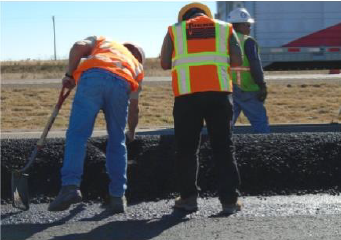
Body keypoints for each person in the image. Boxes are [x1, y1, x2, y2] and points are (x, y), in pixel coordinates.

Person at [160, 2, 243, 214]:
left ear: (184, 17)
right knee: (224, 147)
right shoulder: (225, 28)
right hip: (219, 95)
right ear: (205, 14)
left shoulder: (175, 31)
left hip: (187, 97)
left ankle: (188, 199)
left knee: (187, 149)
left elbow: (164, 63)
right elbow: (237, 60)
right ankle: (230, 201)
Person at [48, 36, 145, 213]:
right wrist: (131, 132)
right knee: (117, 140)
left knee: (77, 135)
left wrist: (70, 75)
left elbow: (78, 46)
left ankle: (70, 186)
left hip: (93, 78)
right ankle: (117, 197)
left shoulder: (103, 42)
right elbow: (134, 110)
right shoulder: (136, 68)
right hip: (121, 84)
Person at [227, 8, 270, 133]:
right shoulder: (247, 41)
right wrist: (262, 85)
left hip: (228, 89)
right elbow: (255, 65)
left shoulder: (223, 41)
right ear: (240, 25)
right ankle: (265, 148)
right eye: (248, 25)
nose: (250, 28)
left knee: (225, 124)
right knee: (259, 121)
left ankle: (220, 150)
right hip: (247, 89)